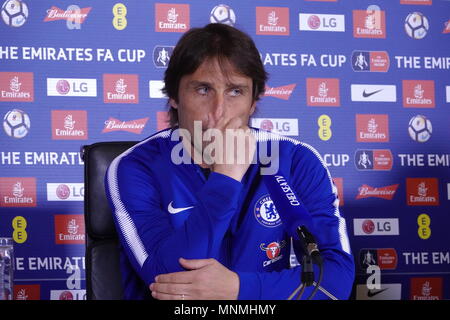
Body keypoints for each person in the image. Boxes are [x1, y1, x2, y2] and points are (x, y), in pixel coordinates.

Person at [105, 23, 355, 300]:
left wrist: (239, 289)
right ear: (174, 96)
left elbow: (335, 278)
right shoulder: (136, 166)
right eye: (203, 89)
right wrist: (226, 178)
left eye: (235, 91)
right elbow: (168, 281)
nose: (219, 111)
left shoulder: (296, 160)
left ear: (254, 101)